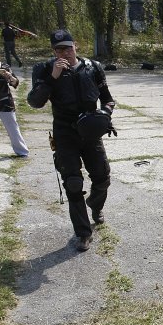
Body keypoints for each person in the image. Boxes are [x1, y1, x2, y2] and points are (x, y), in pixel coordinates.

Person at [27, 30, 116, 252]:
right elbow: (35, 102)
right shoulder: (45, 69)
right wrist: (53, 77)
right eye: (59, 49)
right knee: (73, 183)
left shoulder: (93, 67)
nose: (65, 52)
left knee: (102, 178)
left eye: (68, 47)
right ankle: (83, 233)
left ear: (75, 45)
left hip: (90, 130)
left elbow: (108, 99)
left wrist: (105, 115)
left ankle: (95, 206)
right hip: (65, 132)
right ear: (53, 51)